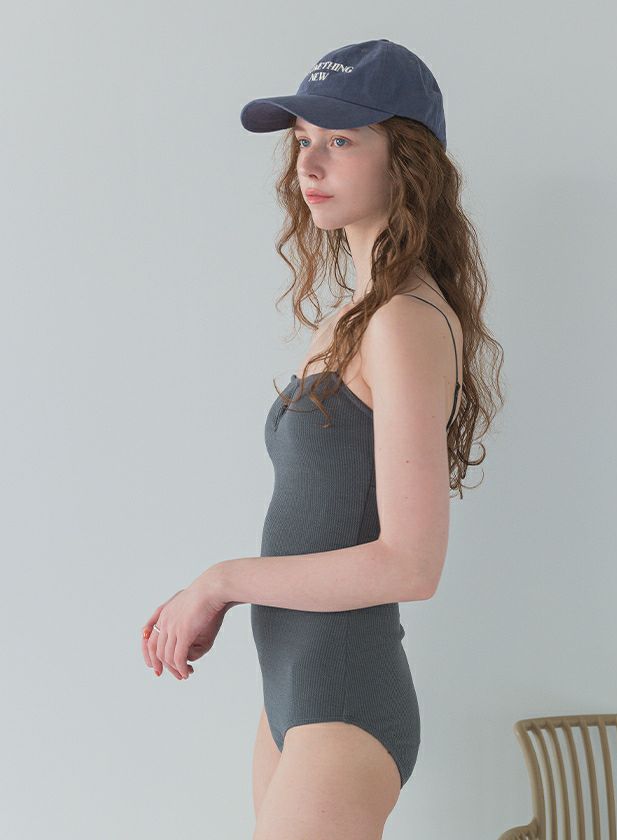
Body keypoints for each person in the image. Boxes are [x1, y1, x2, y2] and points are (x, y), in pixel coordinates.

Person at [140, 37, 504, 839]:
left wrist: (220, 582)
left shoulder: (403, 321)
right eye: (304, 139)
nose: (309, 163)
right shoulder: (352, 318)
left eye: (341, 139)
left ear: (406, 161)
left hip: (344, 695)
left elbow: (412, 563)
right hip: (292, 692)